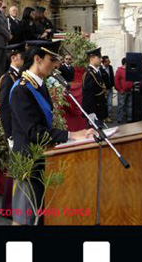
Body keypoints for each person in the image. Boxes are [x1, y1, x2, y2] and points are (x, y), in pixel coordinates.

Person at [9, 40, 94, 225]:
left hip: (42, 155)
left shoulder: (40, 84)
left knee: (40, 215)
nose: (56, 64)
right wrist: (71, 135)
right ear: (38, 59)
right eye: (52, 59)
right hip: (28, 161)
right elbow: (33, 131)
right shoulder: (22, 89)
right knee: (26, 218)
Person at [0, 42, 25, 139]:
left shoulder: (20, 75)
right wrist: (9, 133)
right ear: (13, 58)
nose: (24, 59)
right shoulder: (8, 78)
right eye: (21, 57)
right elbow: (4, 107)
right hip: (14, 128)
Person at [81, 47, 108, 128]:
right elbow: (88, 95)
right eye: (99, 57)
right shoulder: (89, 74)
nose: (101, 59)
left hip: (99, 109)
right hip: (95, 111)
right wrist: (90, 113)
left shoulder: (97, 72)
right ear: (92, 58)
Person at [114, 58, 134, 124]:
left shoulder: (130, 70)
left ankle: (129, 118)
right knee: (121, 105)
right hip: (122, 91)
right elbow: (116, 81)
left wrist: (131, 86)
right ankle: (120, 119)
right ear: (125, 63)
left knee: (129, 105)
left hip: (129, 90)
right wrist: (120, 89)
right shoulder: (119, 70)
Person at [100, 55, 115, 122]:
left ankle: (108, 116)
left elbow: (112, 76)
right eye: (108, 61)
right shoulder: (100, 69)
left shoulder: (110, 67)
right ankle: (103, 117)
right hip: (103, 89)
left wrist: (113, 84)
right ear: (104, 62)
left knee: (110, 103)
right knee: (104, 104)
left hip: (110, 88)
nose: (109, 62)